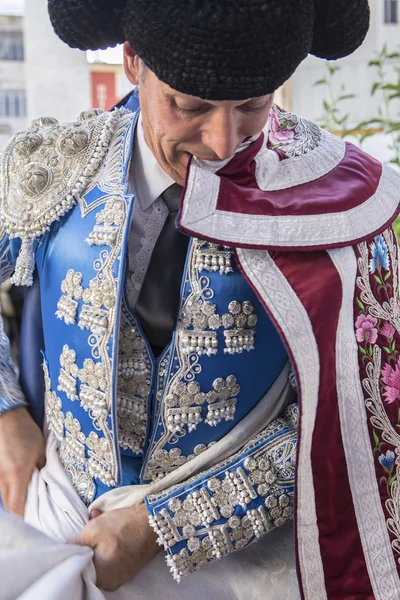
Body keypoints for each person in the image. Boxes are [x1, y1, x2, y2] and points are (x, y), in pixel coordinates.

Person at [0, 0, 399, 598]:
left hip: (241, 567)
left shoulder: (342, 207)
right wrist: (6, 415)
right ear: (132, 63)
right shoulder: (58, 166)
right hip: (60, 520)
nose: (221, 142)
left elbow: (361, 417)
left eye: (253, 106)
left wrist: (165, 525)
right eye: (188, 106)